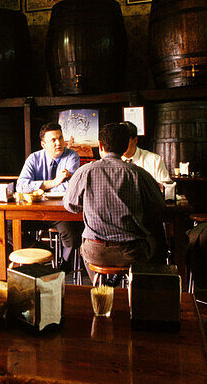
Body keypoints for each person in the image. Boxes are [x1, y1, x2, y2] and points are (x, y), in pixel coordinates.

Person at [64, 122, 165, 284]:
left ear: (100, 145)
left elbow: (69, 205)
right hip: (131, 252)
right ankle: (145, 290)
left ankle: (102, 290)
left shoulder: (84, 171)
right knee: (157, 241)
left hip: (95, 251)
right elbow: (159, 207)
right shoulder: (139, 174)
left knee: (88, 249)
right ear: (126, 146)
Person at [15, 121, 83, 262]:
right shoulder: (34, 158)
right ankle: (45, 251)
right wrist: (54, 182)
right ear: (43, 144)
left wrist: (40, 190)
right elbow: (21, 186)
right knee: (1, 224)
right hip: (33, 212)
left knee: (72, 235)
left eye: (60, 138)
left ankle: (62, 268)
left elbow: (71, 187)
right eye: (53, 140)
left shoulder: (72, 156)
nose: (58, 143)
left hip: (60, 212)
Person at [120, 120, 175, 198]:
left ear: (135, 140)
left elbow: (168, 189)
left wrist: (150, 185)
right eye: (119, 140)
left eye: (125, 140)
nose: (121, 144)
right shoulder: (113, 162)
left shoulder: (154, 160)